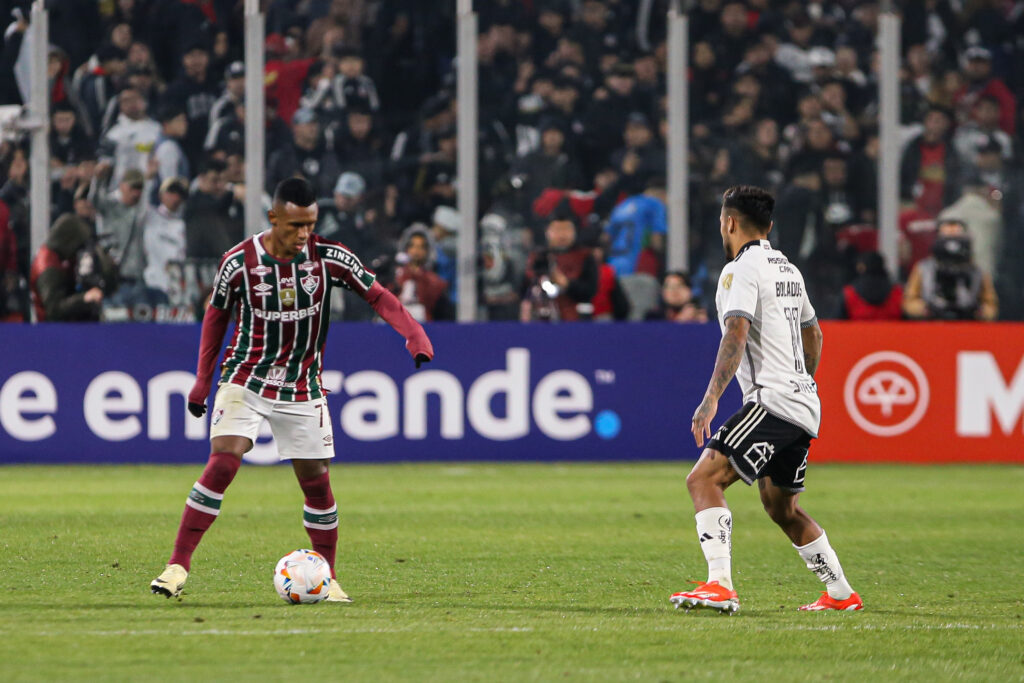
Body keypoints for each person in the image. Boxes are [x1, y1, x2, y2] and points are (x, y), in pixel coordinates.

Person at [150, 178, 434, 602]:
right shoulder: (239, 262)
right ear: (274, 218)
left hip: (302, 383)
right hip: (246, 375)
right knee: (225, 460)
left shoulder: (329, 257)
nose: (303, 234)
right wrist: (203, 380)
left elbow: (378, 296)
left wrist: (413, 334)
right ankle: (177, 565)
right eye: (295, 225)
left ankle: (329, 576)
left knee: (316, 480)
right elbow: (215, 319)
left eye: (310, 225)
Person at [672, 185, 862, 614]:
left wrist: (711, 398)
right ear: (769, 226)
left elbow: (735, 331)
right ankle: (840, 593)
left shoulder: (740, 270)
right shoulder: (788, 269)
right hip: (802, 405)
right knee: (781, 507)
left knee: (703, 480)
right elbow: (814, 333)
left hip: (773, 402)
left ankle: (719, 584)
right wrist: (802, 382)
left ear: (729, 223)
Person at [902, 219, 998, 321]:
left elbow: (990, 304)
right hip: (933, 325)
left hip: (968, 326)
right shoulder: (924, 268)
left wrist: (979, 312)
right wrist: (925, 309)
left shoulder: (976, 271)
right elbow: (909, 301)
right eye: (947, 238)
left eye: (956, 237)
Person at [30, 213, 117, 322]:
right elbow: (53, 309)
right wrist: (84, 298)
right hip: (52, 331)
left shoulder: (60, 257)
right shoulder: (48, 265)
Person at [836, 251, 903, 320]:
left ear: (862, 268)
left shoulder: (849, 293)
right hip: (892, 330)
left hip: (857, 330)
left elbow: (836, 322)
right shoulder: (897, 293)